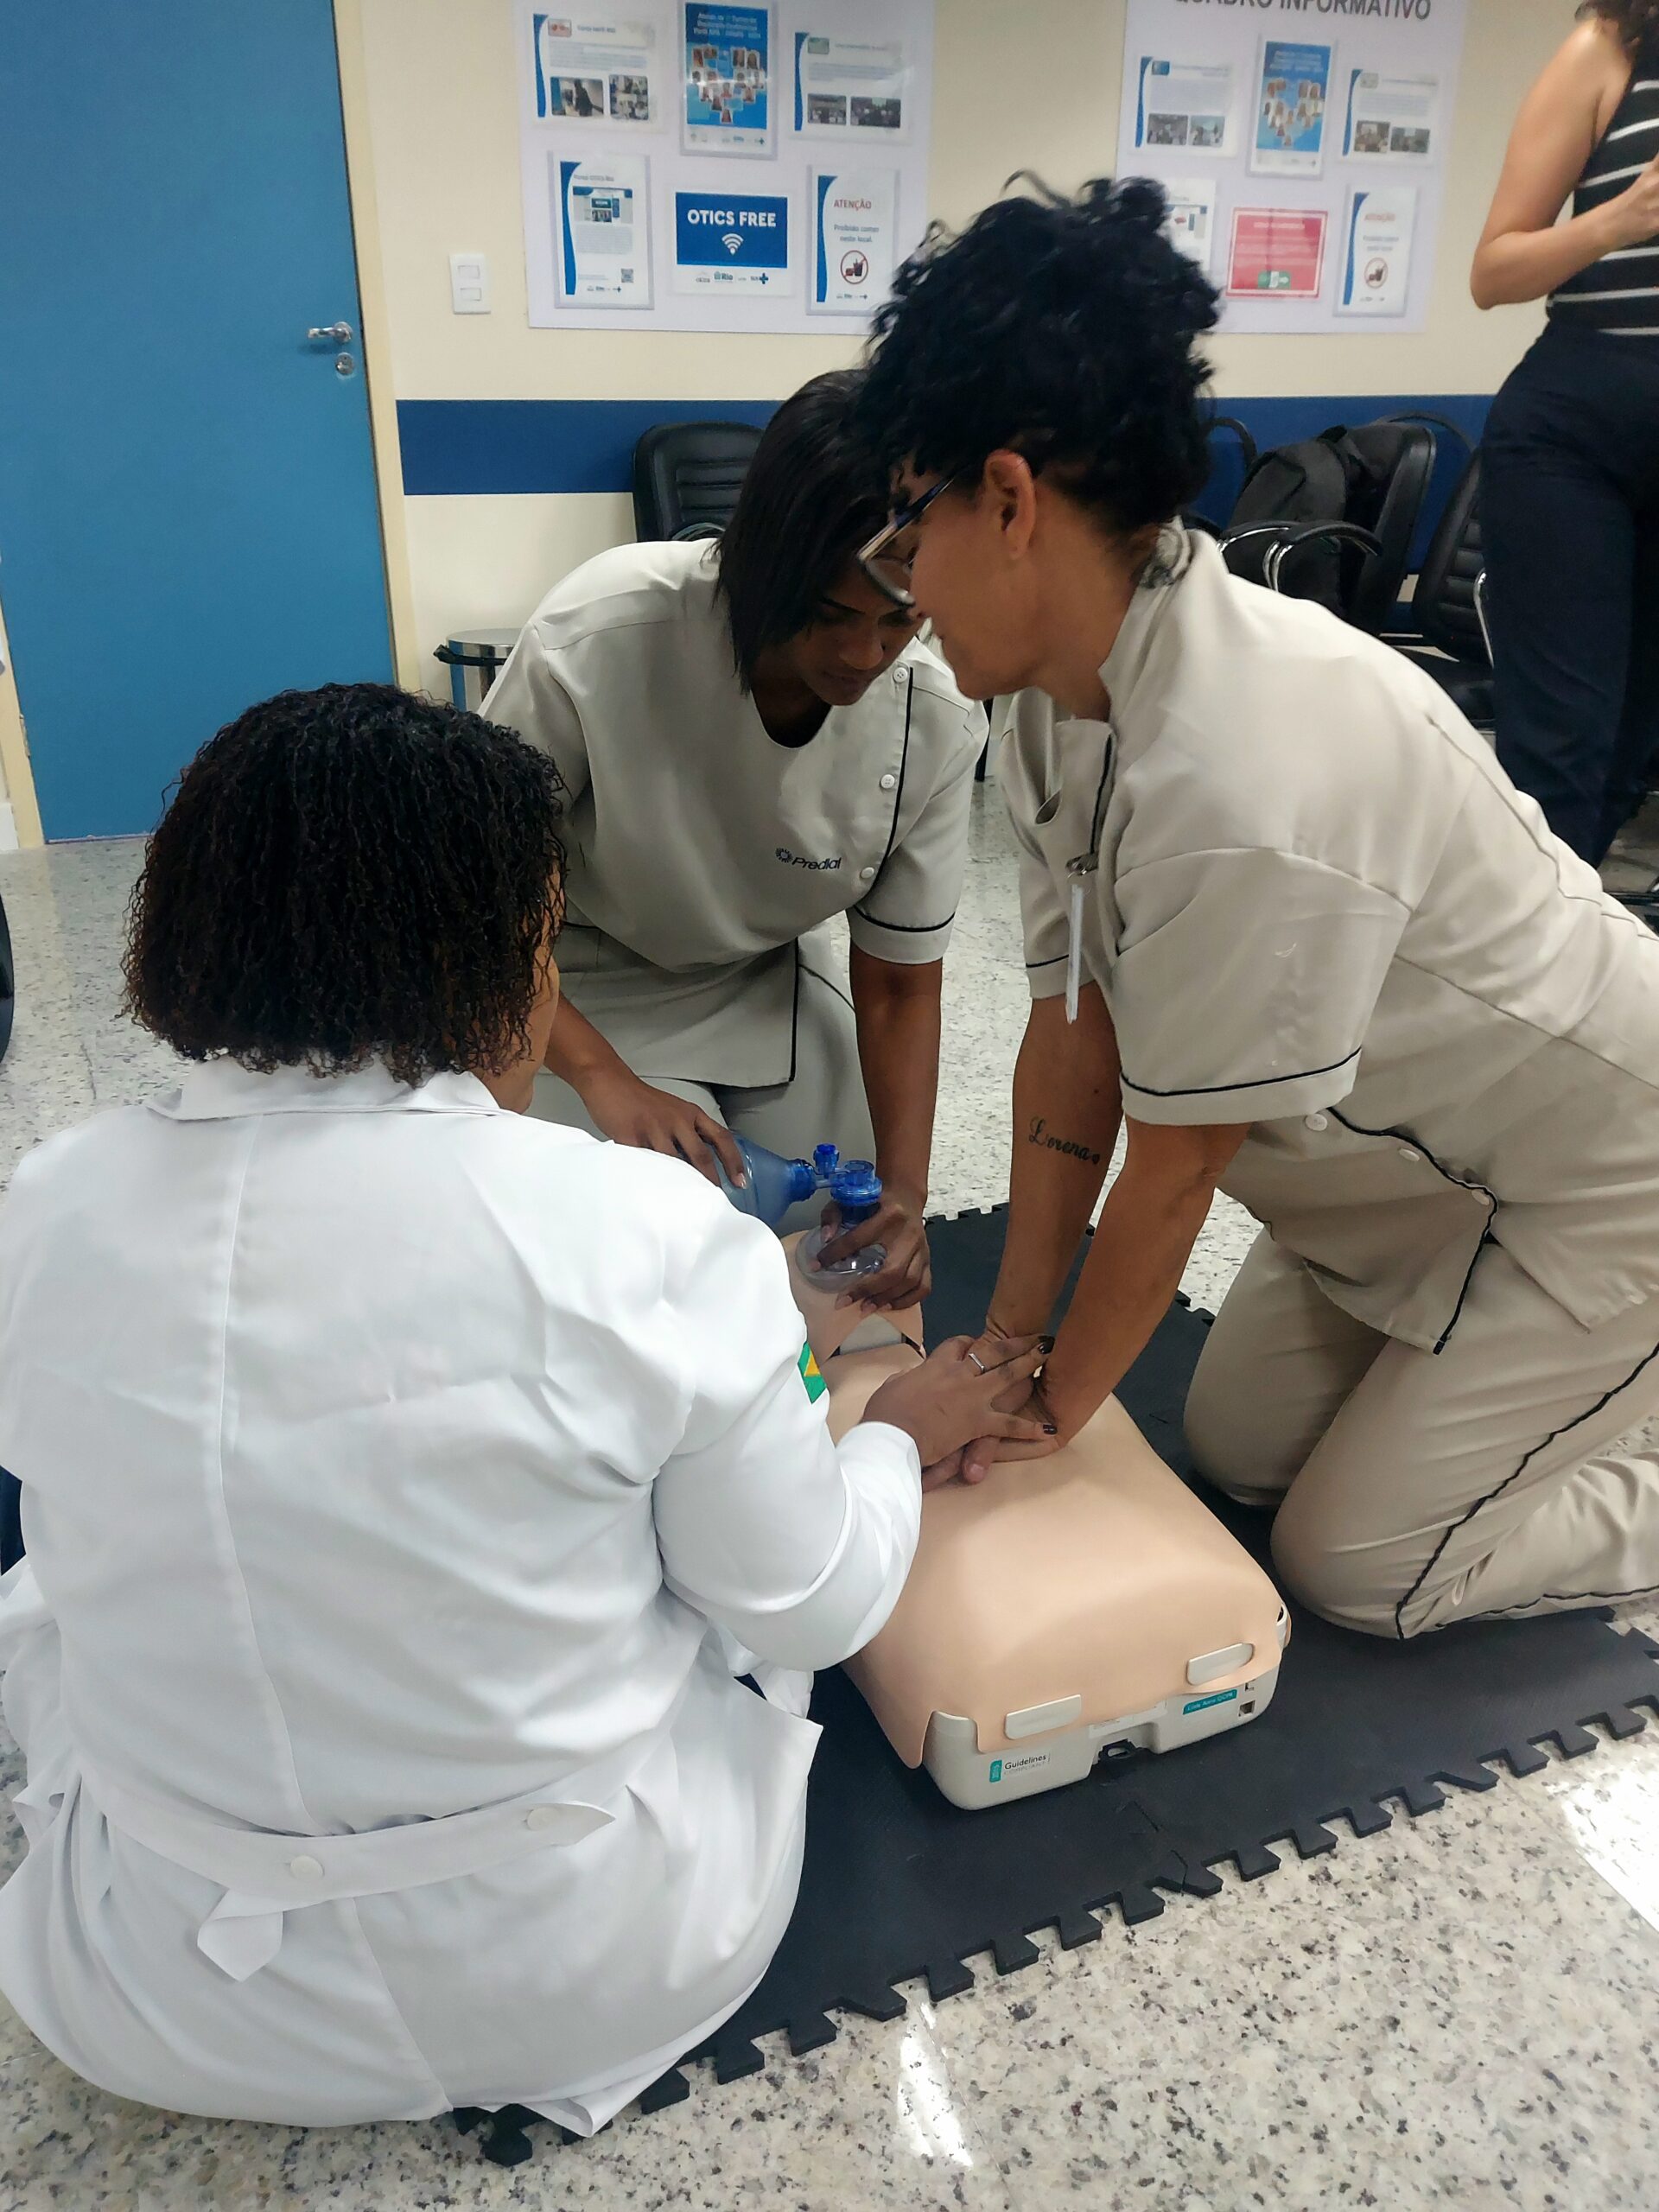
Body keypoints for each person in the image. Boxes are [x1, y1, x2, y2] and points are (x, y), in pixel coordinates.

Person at [0, 683, 1046, 2129]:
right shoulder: (643, 1234)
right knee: (723, 1586)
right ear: (501, 966)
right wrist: (883, 1431)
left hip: (156, 2000)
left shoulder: (41, 1211)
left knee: (52, 1593)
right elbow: (811, 1604)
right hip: (601, 1959)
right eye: (549, 947)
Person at [852, 177, 1659, 1640]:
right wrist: (1011, 1340)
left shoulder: (1241, 769)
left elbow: (1170, 1171)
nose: (903, 583)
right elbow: (1070, 1046)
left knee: (1363, 1569)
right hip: (1410, 1183)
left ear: (1013, 501)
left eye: (912, 525)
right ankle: (1546, 1390)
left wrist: (1034, 1424)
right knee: (1236, 1453)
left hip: (1604, 1183)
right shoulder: (1059, 697)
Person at [483, 371, 983, 1309]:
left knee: (842, 1243)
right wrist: (605, 1080)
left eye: (899, 620)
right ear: (760, 564)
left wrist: (910, 1200)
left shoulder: (935, 717)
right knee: (649, 1252)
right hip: (566, 977)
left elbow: (902, 985)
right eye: (831, 615)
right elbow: (480, 912)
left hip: (763, 980)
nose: (864, 655)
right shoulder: (597, 636)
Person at [1472, 0, 1659, 863]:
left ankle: (1571, 975)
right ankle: (1515, 987)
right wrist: (1616, 221)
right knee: (1561, 765)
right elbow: (1493, 270)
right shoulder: (1606, 48)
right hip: (1574, 440)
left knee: (1629, 758)